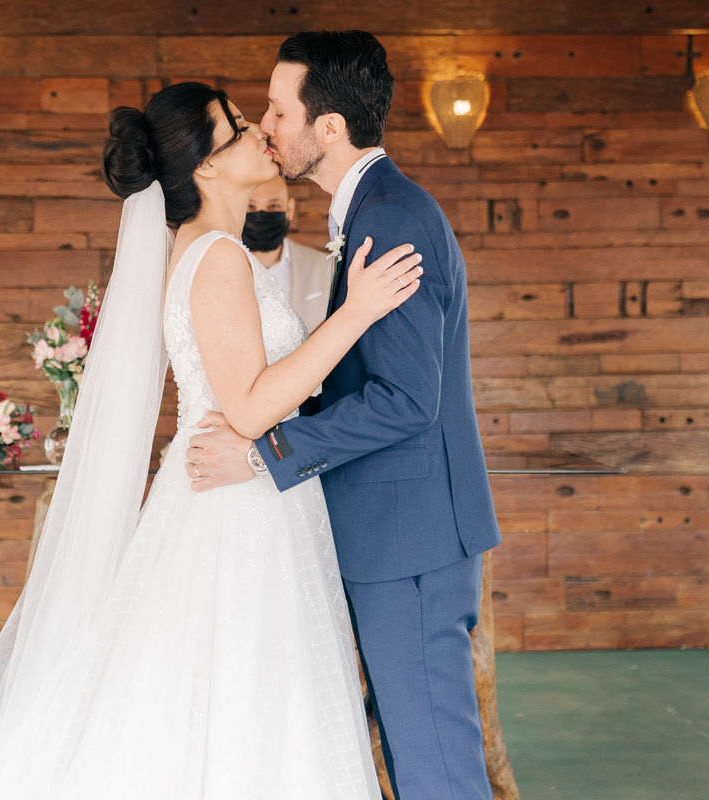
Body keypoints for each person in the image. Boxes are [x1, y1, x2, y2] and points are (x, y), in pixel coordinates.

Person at [0, 80, 422, 800]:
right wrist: (357, 313)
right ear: (207, 165)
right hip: (239, 509)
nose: (261, 133)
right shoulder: (216, 255)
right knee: (246, 696)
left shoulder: (209, 249)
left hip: (241, 489)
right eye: (239, 127)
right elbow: (248, 406)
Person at [186, 31, 504, 800]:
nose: (266, 126)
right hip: (388, 532)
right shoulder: (368, 210)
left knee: (436, 771)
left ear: (328, 128)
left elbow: (406, 398)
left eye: (278, 110)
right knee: (412, 759)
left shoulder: (392, 217)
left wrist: (262, 452)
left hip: (410, 538)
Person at [242, 175, 334, 332]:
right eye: (250, 207)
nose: (261, 215)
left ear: (289, 209)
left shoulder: (326, 267)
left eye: (273, 206)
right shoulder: (218, 268)